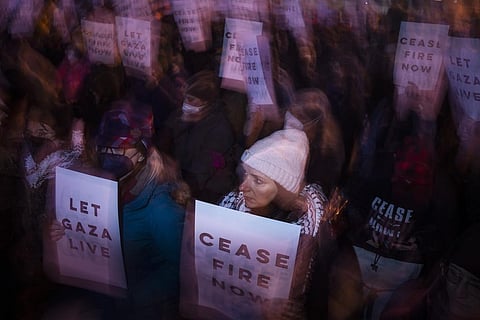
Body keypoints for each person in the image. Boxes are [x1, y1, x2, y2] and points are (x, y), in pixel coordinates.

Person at [45, 99, 190, 319]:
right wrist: (63, 230)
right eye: (105, 148)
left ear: (142, 151)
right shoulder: (99, 187)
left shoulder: (161, 207)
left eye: (120, 149)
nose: (110, 155)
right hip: (105, 303)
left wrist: (136, 295)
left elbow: (182, 268)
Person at [218, 128, 327, 319]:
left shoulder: (308, 222)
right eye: (246, 174)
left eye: (257, 181)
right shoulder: (234, 203)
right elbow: (213, 265)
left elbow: (303, 288)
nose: (243, 187)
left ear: (283, 190)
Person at [160, 70, 238, 204]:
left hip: (205, 192)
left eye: (191, 99)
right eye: (185, 97)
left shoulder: (220, 130)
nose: (186, 103)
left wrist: (181, 189)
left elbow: (203, 171)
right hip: (177, 177)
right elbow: (164, 142)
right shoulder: (180, 115)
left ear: (206, 103)